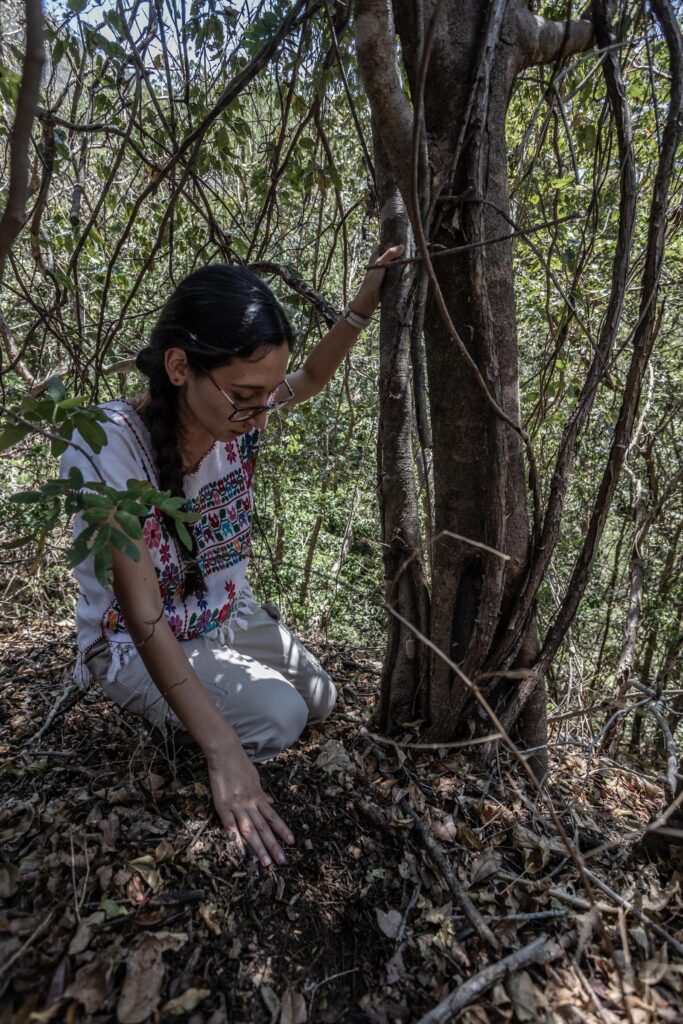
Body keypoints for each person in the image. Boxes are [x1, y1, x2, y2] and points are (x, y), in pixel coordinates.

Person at [60, 245, 403, 869]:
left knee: (320, 697)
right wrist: (221, 751)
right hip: (132, 644)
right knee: (281, 717)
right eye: (245, 394)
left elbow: (313, 379)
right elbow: (142, 616)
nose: (259, 411)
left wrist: (363, 302)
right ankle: (177, 716)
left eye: (267, 394)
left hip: (222, 614)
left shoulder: (236, 416)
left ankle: (222, 682)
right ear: (178, 366)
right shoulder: (108, 445)